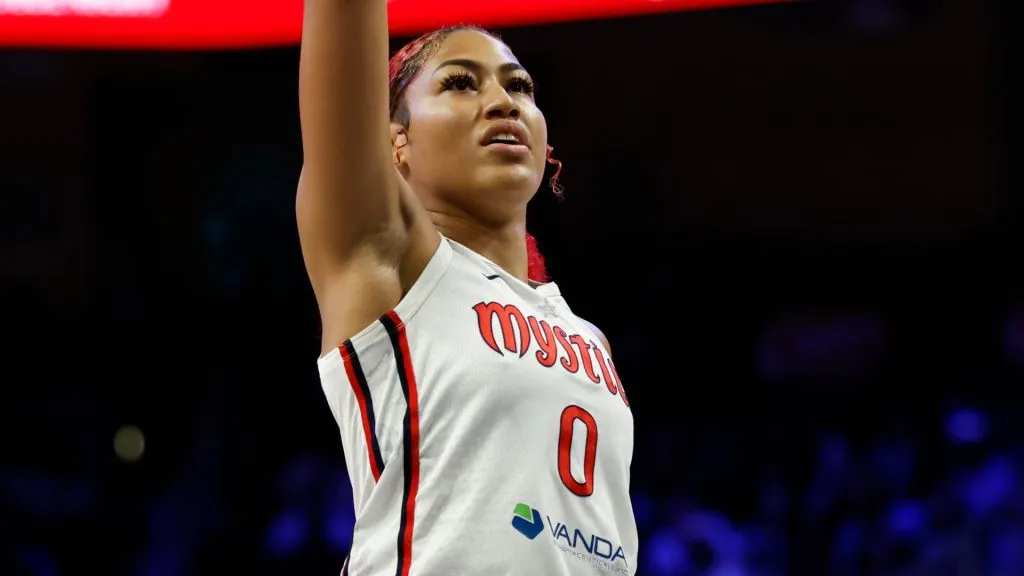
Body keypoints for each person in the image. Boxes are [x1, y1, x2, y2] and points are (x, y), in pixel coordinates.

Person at [296, 0, 637, 573]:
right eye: (460, 83)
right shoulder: (390, 263)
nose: (504, 102)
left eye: (521, 87)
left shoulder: (589, 339)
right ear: (394, 140)